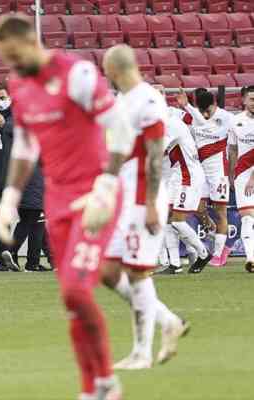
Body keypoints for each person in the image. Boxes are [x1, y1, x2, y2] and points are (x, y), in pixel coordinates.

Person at [0, 15, 136, 400]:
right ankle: (94, 388)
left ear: (32, 41)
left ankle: (104, 380)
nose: (13, 65)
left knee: (75, 290)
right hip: (56, 199)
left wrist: (107, 183)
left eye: (15, 55)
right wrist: (10, 197)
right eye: (6, 59)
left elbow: (120, 129)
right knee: (72, 299)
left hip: (95, 197)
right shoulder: (19, 85)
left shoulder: (79, 75)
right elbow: (24, 146)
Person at [99, 45, 189, 371]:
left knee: (137, 274)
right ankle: (168, 320)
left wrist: (151, 202)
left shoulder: (148, 101)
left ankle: (141, 352)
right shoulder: (124, 101)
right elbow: (119, 153)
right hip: (123, 197)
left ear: (115, 70)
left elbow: (154, 156)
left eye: (106, 71)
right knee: (108, 272)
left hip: (142, 198)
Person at [0, 83, 52, 272]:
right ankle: (9, 258)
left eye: (2, 97)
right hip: (7, 176)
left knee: (32, 217)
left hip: (22, 175)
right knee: (31, 217)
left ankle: (27, 260)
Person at [177, 89, 234, 270]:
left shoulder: (226, 118)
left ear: (213, 104)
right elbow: (198, 122)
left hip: (218, 173)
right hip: (201, 172)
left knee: (221, 212)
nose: (204, 113)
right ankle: (212, 233)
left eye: (206, 109)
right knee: (198, 209)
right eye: (200, 109)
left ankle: (218, 255)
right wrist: (186, 106)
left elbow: (234, 140)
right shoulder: (196, 116)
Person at [158, 107, 210, 275]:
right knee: (166, 217)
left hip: (189, 177)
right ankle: (175, 264)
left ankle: (203, 253)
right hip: (178, 175)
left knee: (177, 221)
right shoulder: (165, 121)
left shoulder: (171, 124)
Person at [228, 86, 254, 273]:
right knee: (247, 218)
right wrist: (231, 174)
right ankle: (251, 259)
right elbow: (233, 149)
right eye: (252, 99)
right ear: (244, 100)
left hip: (250, 176)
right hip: (242, 175)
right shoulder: (235, 121)